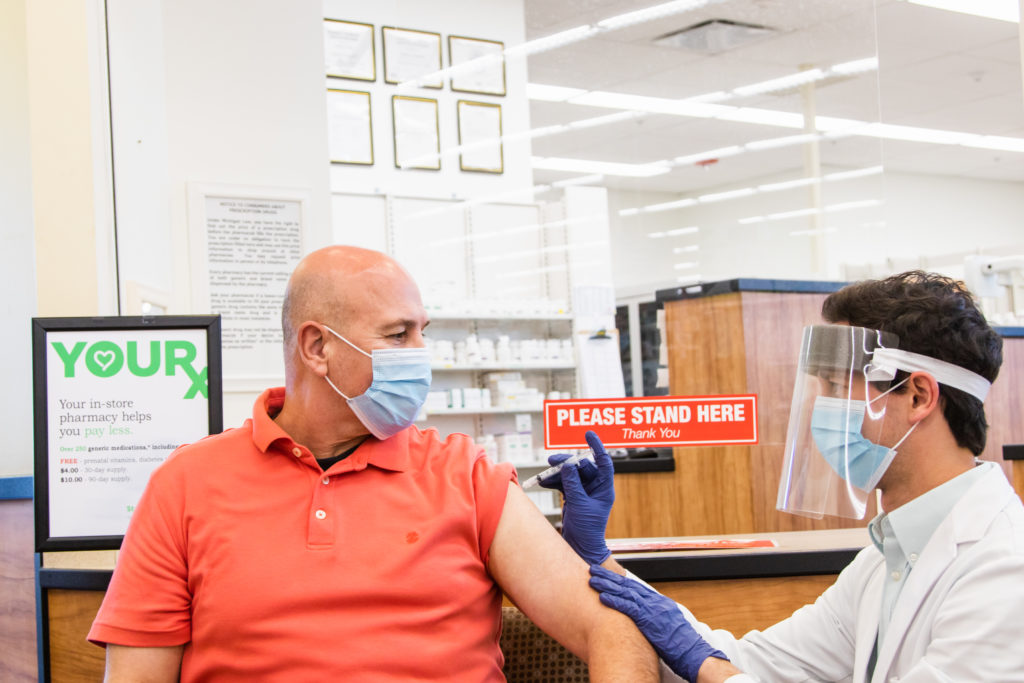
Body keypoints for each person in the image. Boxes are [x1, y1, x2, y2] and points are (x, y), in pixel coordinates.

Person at [88, 246, 658, 681]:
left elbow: (607, 625)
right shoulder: (186, 485)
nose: (420, 354)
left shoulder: (465, 474)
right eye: (397, 334)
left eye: (421, 333)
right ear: (317, 348)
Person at [542, 271, 1024, 682]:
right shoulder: (887, 559)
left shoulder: (1004, 566)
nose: (820, 405)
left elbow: (713, 666)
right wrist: (600, 561)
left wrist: (705, 667)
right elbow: (756, 663)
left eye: (836, 385)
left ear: (918, 396)